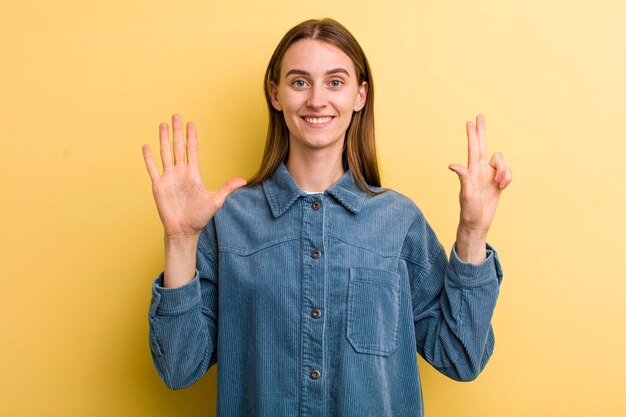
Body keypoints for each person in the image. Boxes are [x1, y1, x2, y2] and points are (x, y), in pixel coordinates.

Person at [142, 18, 512, 417]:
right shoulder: (229, 220)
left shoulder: (398, 220)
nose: (317, 99)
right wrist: (179, 240)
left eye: (335, 82)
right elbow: (179, 368)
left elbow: (460, 357)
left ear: (360, 95)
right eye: (299, 82)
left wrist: (473, 232)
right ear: (275, 94)